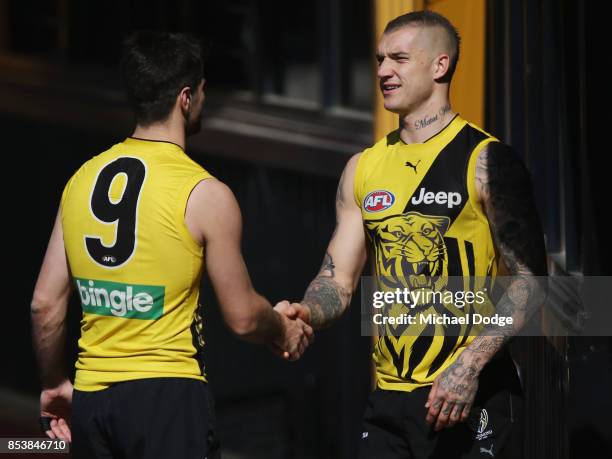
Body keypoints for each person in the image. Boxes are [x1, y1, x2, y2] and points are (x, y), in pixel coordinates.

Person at [278, 10, 548, 458]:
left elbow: (530, 282)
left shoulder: (486, 161)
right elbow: (338, 281)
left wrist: (470, 365)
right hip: (389, 400)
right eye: (380, 59)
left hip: (470, 394)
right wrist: (306, 312)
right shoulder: (362, 168)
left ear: (439, 65)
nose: (383, 71)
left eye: (399, 59)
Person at [30, 31, 313, 459]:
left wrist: (54, 384)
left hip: (92, 399)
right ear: (186, 98)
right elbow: (241, 317)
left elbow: (44, 305)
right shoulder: (204, 193)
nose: (203, 99)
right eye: (201, 91)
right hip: (167, 401)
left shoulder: (81, 180)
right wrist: (283, 328)